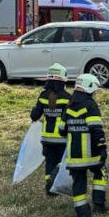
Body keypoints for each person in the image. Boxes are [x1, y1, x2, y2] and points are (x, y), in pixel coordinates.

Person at [61, 73, 107, 217]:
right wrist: (102, 146)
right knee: (100, 172)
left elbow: (61, 130)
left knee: (79, 183)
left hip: (74, 156)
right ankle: (99, 205)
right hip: (92, 154)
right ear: (89, 88)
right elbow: (96, 129)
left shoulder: (68, 106)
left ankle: (82, 213)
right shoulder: (90, 105)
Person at [30, 63, 71, 195]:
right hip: (62, 138)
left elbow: (35, 116)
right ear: (63, 80)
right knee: (61, 162)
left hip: (46, 138)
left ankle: (50, 189)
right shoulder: (67, 97)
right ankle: (56, 183)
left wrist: (35, 110)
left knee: (49, 162)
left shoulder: (43, 96)